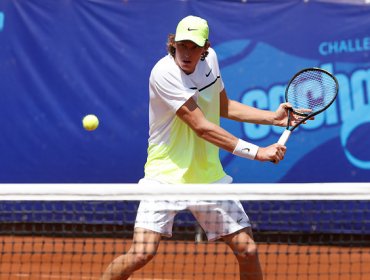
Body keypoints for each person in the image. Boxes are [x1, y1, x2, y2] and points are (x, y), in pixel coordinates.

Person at [101, 15, 303, 280]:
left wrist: (272, 118)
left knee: (247, 250)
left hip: (207, 176)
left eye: (194, 46)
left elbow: (222, 107)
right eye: (182, 45)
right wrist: (257, 152)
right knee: (141, 253)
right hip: (165, 176)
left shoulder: (211, 61)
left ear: (205, 47)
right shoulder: (164, 73)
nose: (187, 52)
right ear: (173, 43)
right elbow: (202, 126)